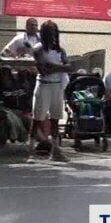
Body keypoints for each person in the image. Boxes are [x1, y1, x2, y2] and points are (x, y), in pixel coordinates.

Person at [29, 21, 73, 162]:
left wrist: (53, 66)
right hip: (43, 86)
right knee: (38, 119)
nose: (52, 35)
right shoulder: (38, 49)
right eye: (49, 32)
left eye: (54, 31)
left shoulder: (60, 50)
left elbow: (69, 67)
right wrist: (61, 67)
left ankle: (55, 151)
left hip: (57, 86)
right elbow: (43, 70)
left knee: (55, 119)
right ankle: (31, 152)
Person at [0, 66, 32, 145]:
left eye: (8, 76)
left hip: (19, 110)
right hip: (5, 110)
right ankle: (13, 136)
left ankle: (42, 142)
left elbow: (26, 99)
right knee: (9, 119)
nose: (6, 78)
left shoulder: (17, 86)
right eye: (3, 76)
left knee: (29, 119)